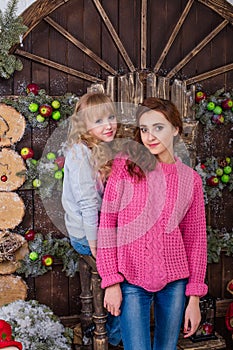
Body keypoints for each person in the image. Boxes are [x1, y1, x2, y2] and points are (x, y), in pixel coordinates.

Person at [96, 97, 208, 350]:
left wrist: (194, 298)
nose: (150, 136)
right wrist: (111, 281)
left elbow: (196, 240)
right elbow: (107, 226)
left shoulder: (190, 180)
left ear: (176, 129)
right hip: (131, 280)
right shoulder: (126, 166)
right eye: (144, 129)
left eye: (158, 127)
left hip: (175, 281)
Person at [62, 92, 122, 346]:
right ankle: (116, 334)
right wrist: (97, 247)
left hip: (100, 227)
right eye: (98, 121)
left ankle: (117, 329)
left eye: (110, 117)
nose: (108, 125)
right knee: (130, 270)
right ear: (83, 125)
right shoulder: (79, 153)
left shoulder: (100, 147)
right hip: (87, 235)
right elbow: (87, 204)